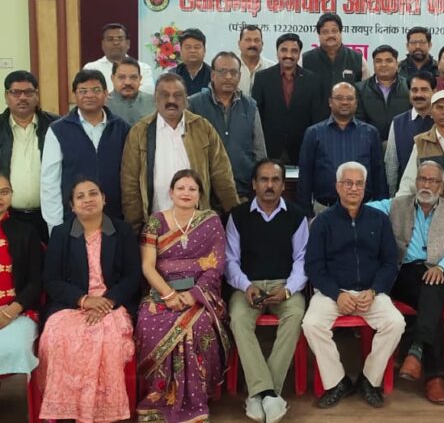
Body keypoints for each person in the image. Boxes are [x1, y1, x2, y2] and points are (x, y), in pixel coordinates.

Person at [302, 162, 405, 409]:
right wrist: (336, 294)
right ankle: (338, 382)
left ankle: (369, 380)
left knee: (395, 322)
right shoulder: (323, 222)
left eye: (359, 184)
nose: (353, 188)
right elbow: (314, 266)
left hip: (370, 292)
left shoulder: (379, 220)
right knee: (311, 324)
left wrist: (374, 290)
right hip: (333, 294)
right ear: (338, 186)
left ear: (365, 187)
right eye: (348, 183)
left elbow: (390, 262)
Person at [38, 177, 140, 422]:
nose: (87, 200)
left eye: (93, 193)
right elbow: (51, 280)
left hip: (113, 304)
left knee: (107, 337)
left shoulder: (122, 231)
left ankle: (103, 412)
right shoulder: (61, 234)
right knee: (58, 335)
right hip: (72, 305)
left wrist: (107, 302)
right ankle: (68, 410)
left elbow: (133, 276)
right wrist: (83, 300)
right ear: (72, 206)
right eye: (80, 196)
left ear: (104, 199)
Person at [136, 169, 231, 422]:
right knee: (149, 321)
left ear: (200, 194)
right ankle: (159, 397)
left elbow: (217, 265)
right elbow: (147, 266)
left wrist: (194, 295)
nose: (186, 193)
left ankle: (196, 399)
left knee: (199, 325)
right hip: (160, 292)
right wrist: (168, 295)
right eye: (180, 188)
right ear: (171, 192)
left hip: (201, 294)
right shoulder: (155, 222)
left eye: (192, 189)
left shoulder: (211, 221)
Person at [367, 160, 444, 405]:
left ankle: (415, 350)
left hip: (441, 272)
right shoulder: (397, 205)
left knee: (434, 287)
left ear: (441, 185)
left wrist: (441, 267)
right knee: (432, 297)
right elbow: (363, 207)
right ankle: (434, 377)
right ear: (415, 182)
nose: (426, 185)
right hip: (405, 274)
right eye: (422, 179)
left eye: (432, 180)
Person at [225, 159, 308, 423]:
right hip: (248, 286)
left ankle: (262, 393)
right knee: (238, 319)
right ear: (254, 184)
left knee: (295, 315)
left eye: (275, 180)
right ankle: (269, 394)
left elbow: (302, 260)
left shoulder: (296, 215)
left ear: (283, 185)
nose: (269, 185)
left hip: (285, 285)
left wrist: (288, 290)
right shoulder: (238, 215)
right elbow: (230, 260)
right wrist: (246, 286)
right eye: (264, 179)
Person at [121, 72, 240, 233]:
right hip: (155, 227)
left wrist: (236, 219)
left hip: (197, 225)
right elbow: (130, 186)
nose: (171, 100)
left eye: (177, 95)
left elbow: (222, 177)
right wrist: (135, 230)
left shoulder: (202, 128)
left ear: (186, 99)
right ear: (155, 98)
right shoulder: (139, 132)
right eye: (165, 95)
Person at [40, 69, 130, 234]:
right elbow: (50, 182)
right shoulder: (58, 130)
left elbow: (130, 176)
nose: (89, 95)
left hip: (114, 218)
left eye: (96, 90)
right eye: (83, 91)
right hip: (73, 221)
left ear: (106, 93)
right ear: (74, 94)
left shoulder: (121, 128)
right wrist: (56, 227)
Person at [297, 81, 388, 214]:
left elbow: (378, 175)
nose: (344, 102)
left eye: (349, 98)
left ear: (356, 103)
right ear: (330, 102)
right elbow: (305, 175)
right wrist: (306, 213)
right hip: (324, 209)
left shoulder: (370, 133)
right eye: (339, 98)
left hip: (364, 209)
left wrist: (381, 210)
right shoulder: (314, 133)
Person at [188, 51, 267, 199]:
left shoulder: (250, 106)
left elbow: (259, 151)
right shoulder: (194, 104)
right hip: (204, 192)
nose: (228, 77)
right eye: (222, 72)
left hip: (242, 190)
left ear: (239, 76)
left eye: (233, 72)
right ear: (213, 75)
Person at [0, 70, 58, 242]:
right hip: (8, 217)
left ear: (37, 95)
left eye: (28, 92)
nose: (22, 97)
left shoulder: (56, 126)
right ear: (6, 96)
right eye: (15, 92)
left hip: (48, 216)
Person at [252, 33, 324, 165]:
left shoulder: (313, 80)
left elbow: (317, 119)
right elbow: (256, 116)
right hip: (269, 148)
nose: (288, 55)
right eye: (284, 50)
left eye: (294, 51)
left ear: (299, 54)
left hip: (302, 148)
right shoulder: (262, 78)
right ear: (277, 52)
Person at [0, 174, 42, 378]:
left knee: (13, 348)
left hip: (18, 313)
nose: (0, 198)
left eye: (4, 192)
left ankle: (13, 398)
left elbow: (36, 281)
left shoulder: (26, 231)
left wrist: (10, 312)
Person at [301, 13, 369, 115]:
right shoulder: (305, 60)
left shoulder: (358, 59)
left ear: (340, 32)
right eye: (325, 32)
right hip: (315, 120)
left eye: (334, 31)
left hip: (349, 120)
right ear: (319, 35)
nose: (330, 35)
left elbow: (366, 95)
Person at [385, 71, 436, 195]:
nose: (418, 95)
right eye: (414, 90)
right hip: (407, 195)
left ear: (434, 92)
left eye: (424, 90)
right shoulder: (398, 122)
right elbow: (391, 163)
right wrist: (393, 197)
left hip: (438, 195)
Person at [355, 44, 411, 142]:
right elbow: (359, 121)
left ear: (397, 64)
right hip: (370, 143)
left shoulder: (408, 86)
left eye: (389, 61)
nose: (383, 65)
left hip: (402, 142)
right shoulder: (360, 89)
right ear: (373, 64)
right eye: (378, 61)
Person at [84, 22, 154, 94]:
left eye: (120, 38)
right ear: (103, 44)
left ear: (128, 43)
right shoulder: (91, 68)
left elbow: (148, 92)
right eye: (110, 39)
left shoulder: (143, 68)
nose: (116, 42)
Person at [105, 56, 155, 125]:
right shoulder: (103, 104)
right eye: (122, 77)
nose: (127, 82)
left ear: (140, 79)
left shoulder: (154, 102)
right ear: (112, 78)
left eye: (133, 77)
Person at [238, 24, 275, 96]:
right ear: (239, 43)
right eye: (248, 40)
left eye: (257, 40)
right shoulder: (230, 67)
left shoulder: (272, 68)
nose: (253, 44)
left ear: (262, 44)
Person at [173, 27, 212, 96]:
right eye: (188, 47)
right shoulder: (172, 74)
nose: (192, 51)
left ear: (204, 50)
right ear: (181, 50)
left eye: (197, 47)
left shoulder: (214, 76)